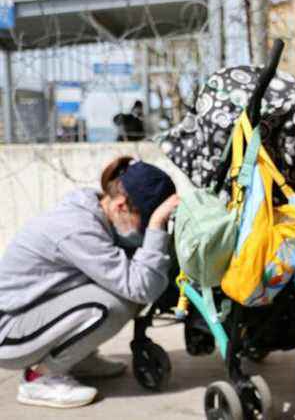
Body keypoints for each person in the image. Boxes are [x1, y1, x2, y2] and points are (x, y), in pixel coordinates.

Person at [0, 156, 179, 408]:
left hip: (30, 320)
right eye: (146, 221)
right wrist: (157, 225)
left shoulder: (98, 215)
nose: (146, 230)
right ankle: (39, 378)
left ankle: (75, 359)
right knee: (117, 302)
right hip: (9, 332)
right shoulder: (79, 228)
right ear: (120, 206)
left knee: (125, 286)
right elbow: (142, 288)